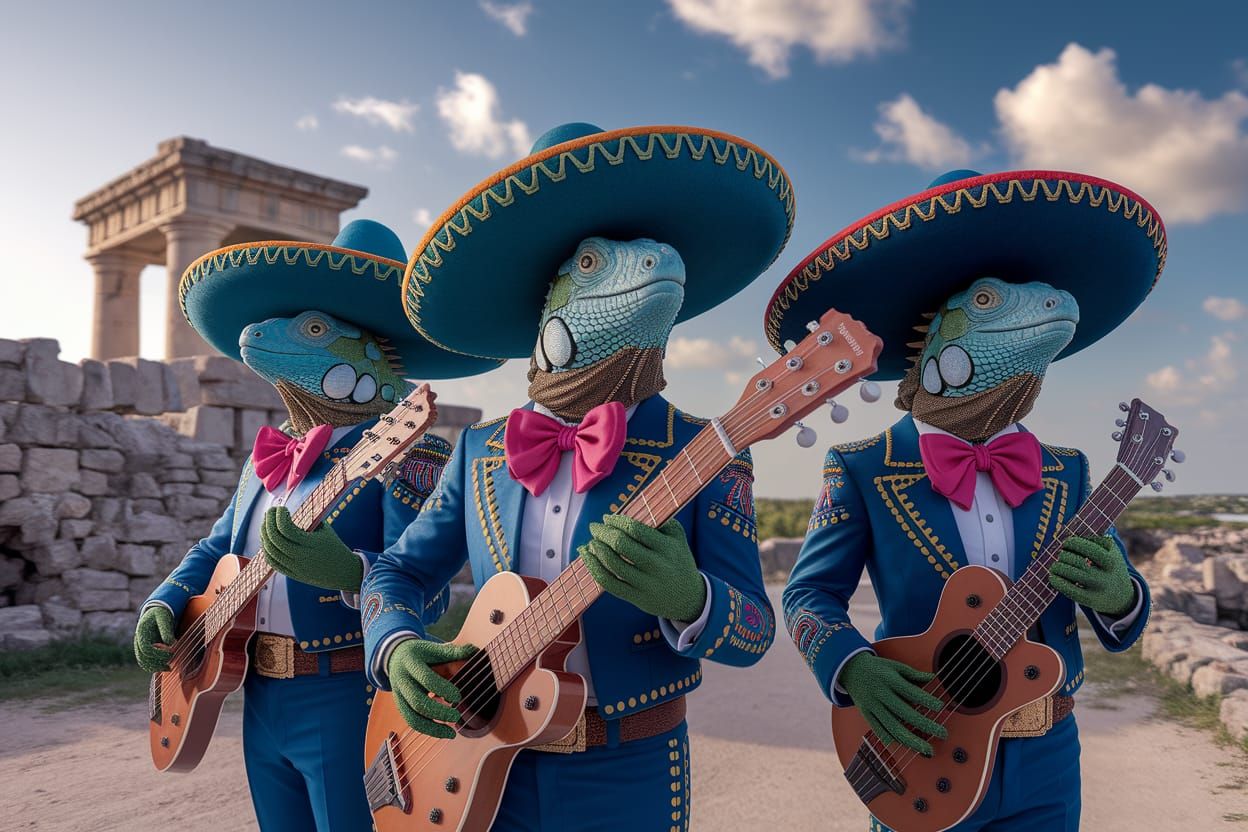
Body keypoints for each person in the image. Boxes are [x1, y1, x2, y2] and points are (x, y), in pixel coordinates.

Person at [262, 122, 793, 830]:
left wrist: (691, 597)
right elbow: (399, 571)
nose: (658, 262)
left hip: (629, 768)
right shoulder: (479, 451)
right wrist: (397, 646)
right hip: (483, 760)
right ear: (552, 303)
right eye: (599, 262)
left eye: (663, 256)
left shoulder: (708, 450)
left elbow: (754, 630)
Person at [771, 170, 1167, 831]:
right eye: (989, 301)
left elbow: (1120, 608)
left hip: (1046, 758)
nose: (1049, 303)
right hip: (919, 753)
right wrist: (854, 669)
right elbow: (808, 596)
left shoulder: (1068, 472)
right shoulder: (861, 467)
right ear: (940, 341)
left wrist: (1121, 595)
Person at [133, 220, 498, 832]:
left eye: (312, 329)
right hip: (259, 691)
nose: (259, 335)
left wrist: (346, 572)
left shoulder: (410, 453)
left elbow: (427, 589)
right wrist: (166, 599)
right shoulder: (267, 458)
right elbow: (218, 544)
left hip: (345, 690)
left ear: (366, 349)